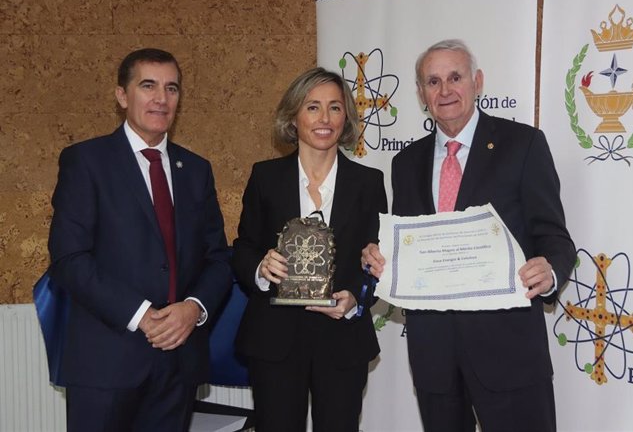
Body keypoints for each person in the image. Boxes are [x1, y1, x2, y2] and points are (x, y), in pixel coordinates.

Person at [361, 39, 576, 432]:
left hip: (509, 351)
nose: (445, 91)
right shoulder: (405, 163)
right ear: (421, 94)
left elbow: (555, 238)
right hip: (434, 355)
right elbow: (408, 246)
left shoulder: (523, 145)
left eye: (455, 77)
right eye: (433, 81)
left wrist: (550, 271)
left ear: (477, 81)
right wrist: (381, 260)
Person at [48, 48, 232, 431]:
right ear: (121, 96)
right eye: (148, 86)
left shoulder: (196, 170)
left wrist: (194, 308)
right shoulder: (86, 161)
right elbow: (69, 259)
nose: (161, 99)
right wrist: (142, 315)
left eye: (171, 88)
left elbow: (217, 258)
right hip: (105, 361)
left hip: (178, 362)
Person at [231, 67, 387, 432]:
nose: (324, 118)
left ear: (345, 116)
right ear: (293, 117)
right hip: (274, 339)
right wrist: (260, 268)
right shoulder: (265, 178)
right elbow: (243, 249)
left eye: (335, 107)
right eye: (313, 107)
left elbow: (377, 262)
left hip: (342, 339)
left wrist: (356, 298)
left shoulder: (369, 183)